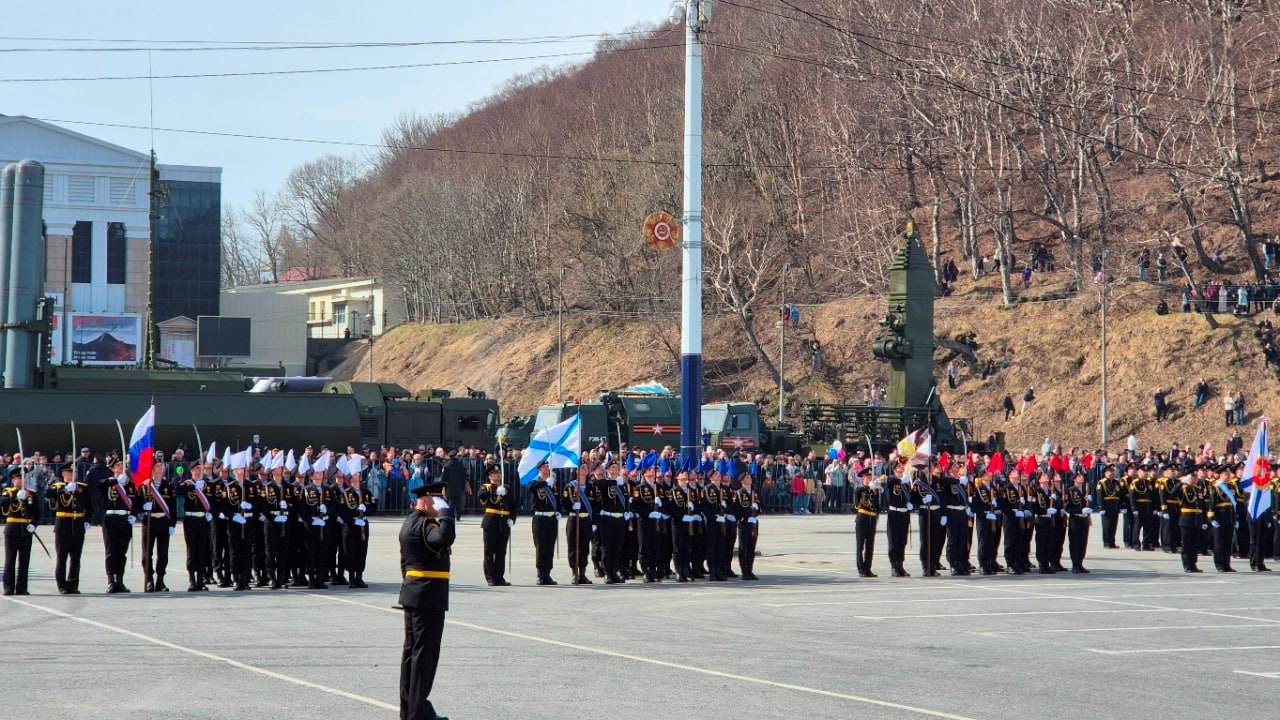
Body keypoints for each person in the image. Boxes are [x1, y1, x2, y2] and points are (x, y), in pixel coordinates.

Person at [399, 480, 455, 720]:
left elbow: (404, 563)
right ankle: (418, 712)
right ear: (426, 500)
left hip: (415, 593)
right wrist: (447, 514)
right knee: (424, 656)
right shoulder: (425, 524)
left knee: (412, 654)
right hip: (428, 596)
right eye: (438, 500)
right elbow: (443, 539)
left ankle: (410, 709)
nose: (440, 504)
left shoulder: (409, 522)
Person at [46, 463, 89, 594]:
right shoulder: (57, 486)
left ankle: (73, 584)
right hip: (63, 525)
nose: (73, 474)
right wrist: (65, 489)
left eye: (75, 472)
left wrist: (88, 520)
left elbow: (89, 505)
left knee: (76, 557)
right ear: (64, 474)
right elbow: (49, 494)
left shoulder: (82, 487)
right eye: (70, 472)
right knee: (62, 556)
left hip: (78, 524)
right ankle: (62, 585)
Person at [102, 460, 140, 593]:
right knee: (111, 551)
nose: (121, 467)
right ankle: (110, 581)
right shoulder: (108, 482)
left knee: (122, 551)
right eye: (118, 465)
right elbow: (99, 486)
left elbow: (136, 502)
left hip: (125, 519)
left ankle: (119, 580)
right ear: (113, 469)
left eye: (122, 465)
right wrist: (116, 481)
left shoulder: (131, 485)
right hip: (111, 519)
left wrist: (134, 515)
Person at [2, 468, 41, 595]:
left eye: (24, 478)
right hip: (12, 529)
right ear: (14, 480)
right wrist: (15, 497)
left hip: (26, 529)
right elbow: (2, 503)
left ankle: (22, 588)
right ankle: (8, 587)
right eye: (19, 478)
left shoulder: (31, 494)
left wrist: (34, 524)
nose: (23, 480)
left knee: (24, 561)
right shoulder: (8, 492)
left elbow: (37, 512)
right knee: (10, 560)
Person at [139, 462, 176, 593]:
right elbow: (137, 503)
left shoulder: (168, 485)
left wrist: (172, 524)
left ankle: (160, 580)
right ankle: (149, 579)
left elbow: (172, 506)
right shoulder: (145, 485)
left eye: (162, 466)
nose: (161, 468)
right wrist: (143, 507)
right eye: (157, 466)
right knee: (147, 553)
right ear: (152, 469)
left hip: (163, 521)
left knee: (163, 553)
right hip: (149, 521)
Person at [178, 462, 213, 591]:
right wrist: (193, 487)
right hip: (190, 519)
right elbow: (178, 491)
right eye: (197, 468)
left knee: (202, 549)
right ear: (191, 470)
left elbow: (213, 500)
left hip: (203, 519)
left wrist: (211, 513)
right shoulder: (186, 483)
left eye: (200, 468)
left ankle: (200, 579)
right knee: (192, 549)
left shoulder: (206, 484)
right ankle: (192, 579)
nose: (199, 470)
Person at [477, 462, 513, 586]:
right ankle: (490, 577)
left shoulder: (506, 488)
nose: (498, 475)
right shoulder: (486, 487)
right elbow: (480, 496)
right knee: (489, 552)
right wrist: (494, 492)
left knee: (501, 552)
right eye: (494, 473)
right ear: (490, 476)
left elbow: (513, 505)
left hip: (504, 522)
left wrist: (512, 518)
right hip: (491, 522)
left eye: (498, 473)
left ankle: (499, 577)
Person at [527, 461, 559, 585]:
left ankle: (547, 574)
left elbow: (558, 499)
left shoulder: (553, 483)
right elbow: (531, 488)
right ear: (539, 469)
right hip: (540, 518)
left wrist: (558, 511)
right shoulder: (535, 482)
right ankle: (540, 575)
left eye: (547, 466)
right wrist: (545, 483)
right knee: (541, 547)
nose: (547, 468)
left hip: (551, 518)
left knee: (550, 547)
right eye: (544, 466)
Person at [851, 466, 880, 577]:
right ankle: (861, 570)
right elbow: (857, 506)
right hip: (862, 519)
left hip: (872, 520)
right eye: (868, 476)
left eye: (870, 476)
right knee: (860, 546)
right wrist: (867, 490)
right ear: (863, 478)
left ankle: (868, 568)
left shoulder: (874, 490)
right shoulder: (859, 490)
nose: (870, 478)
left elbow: (877, 506)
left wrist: (874, 492)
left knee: (870, 547)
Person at [733, 473, 760, 580]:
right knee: (743, 548)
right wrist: (744, 518)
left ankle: (750, 570)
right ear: (742, 481)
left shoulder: (755, 492)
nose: (750, 479)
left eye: (749, 477)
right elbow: (736, 510)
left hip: (754, 523)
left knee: (751, 548)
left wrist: (757, 509)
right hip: (744, 524)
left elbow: (762, 505)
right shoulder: (739, 493)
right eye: (747, 478)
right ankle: (744, 571)